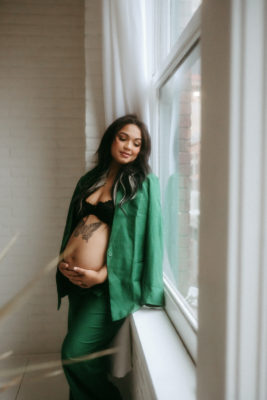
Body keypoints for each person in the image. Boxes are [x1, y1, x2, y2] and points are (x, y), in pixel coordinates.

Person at [56, 114, 164, 400]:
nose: (129, 146)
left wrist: (102, 274)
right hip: (77, 284)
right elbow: (74, 225)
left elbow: (151, 237)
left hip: (108, 288)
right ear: (111, 139)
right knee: (85, 357)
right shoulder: (90, 179)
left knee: (73, 354)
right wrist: (64, 262)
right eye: (123, 138)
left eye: (137, 143)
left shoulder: (144, 183)